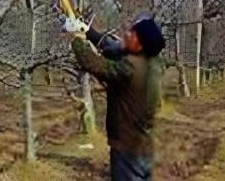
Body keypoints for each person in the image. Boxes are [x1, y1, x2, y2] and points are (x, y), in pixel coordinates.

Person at [64, 13, 165, 181]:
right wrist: (88, 31)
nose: (128, 35)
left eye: (134, 34)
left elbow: (94, 64)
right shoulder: (150, 62)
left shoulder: (131, 68)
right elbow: (114, 47)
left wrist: (76, 38)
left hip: (128, 149)